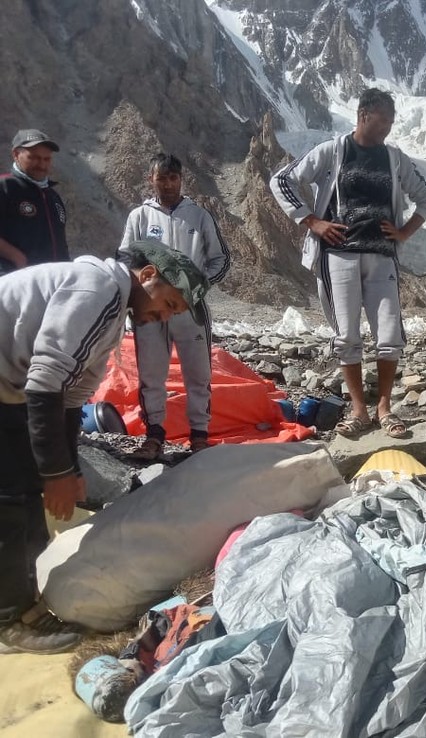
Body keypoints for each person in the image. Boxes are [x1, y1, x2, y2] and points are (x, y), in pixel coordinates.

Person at [0, 242, 209, 653]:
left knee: (25, 490)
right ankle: (9, 621)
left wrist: (68, 470)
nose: (162, 317)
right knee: (9, 500)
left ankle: (25, 602)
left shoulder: (113, 312)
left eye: (172, 314)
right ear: (147, 274)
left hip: (12, 390)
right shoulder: (97, 288)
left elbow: (71, 397)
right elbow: (45, 382)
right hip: (15, 388)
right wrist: (56, 473)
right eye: (168, 304)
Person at [270, 88, 426, 438]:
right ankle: (359, 410)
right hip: (338, 255)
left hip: (381, 256)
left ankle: (385, 408)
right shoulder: (333, 150)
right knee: (347, 336)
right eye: (383, 121)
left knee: (389, 335)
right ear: (363, 116)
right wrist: (312, 221)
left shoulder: (394, 158)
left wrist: (404, 232)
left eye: (391, 121)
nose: (388, 128)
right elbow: (283, 180)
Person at [119, 154, 231, 459]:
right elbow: (126, 259)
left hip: (191, 310)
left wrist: (199, 285)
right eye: (161, 178)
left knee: (198, 373)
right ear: (150, 179)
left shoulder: (198, 216)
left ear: (181, 179)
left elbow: (221, 258)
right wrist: (143, 292)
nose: (167, 184)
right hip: (150, 311)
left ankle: (199, 437)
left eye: (173, 178)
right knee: (151, 373)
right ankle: (154, 436)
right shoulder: (139, 217)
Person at [0, 129, 69, 276]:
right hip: (12, 281)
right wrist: (16, 257)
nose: (42, 164)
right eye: (34, 158)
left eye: (47, 159)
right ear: (16, 154)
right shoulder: (4, 186)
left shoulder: (53, 197)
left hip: (52, 285)